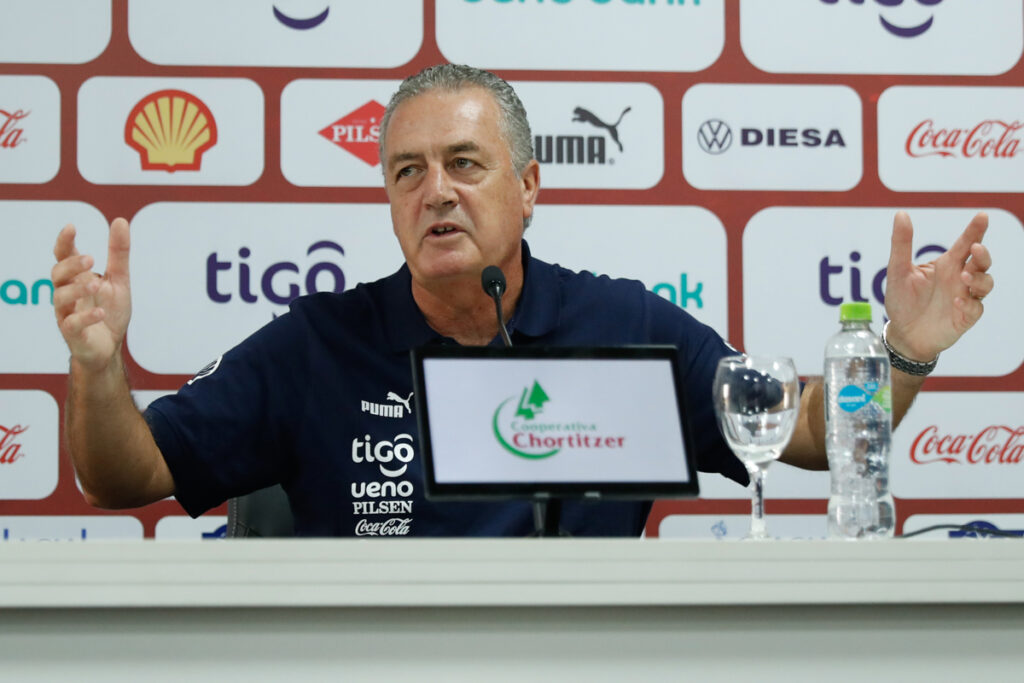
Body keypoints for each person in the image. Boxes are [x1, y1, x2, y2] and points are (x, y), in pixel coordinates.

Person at [50, 64, 994, 537]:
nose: (436, 193)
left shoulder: (629, 327)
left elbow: (816, 439)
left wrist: (904, 354)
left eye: (465, 164)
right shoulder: (316, 344)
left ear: (531, 186)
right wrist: (96, 370)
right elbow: (124, 474)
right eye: (407, 173)